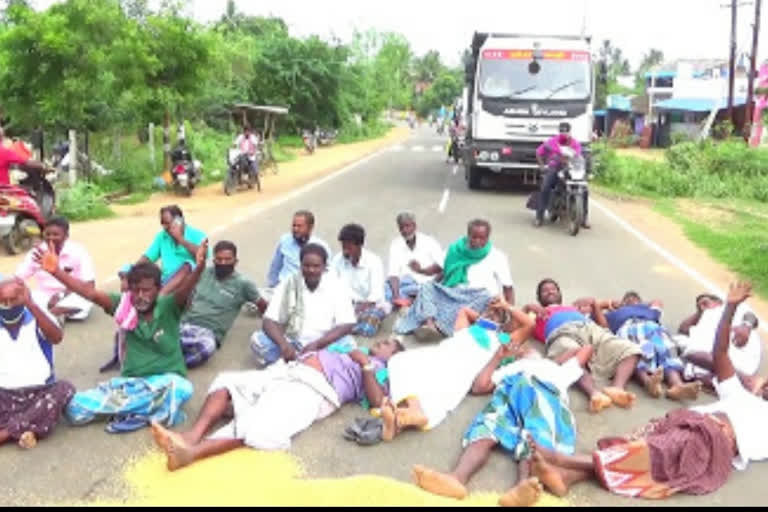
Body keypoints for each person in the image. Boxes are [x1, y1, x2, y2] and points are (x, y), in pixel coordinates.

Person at [522, 282, 768, 501]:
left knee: (660, 453)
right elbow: (720, 354)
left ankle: (563, 461)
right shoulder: (739, 394)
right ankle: (566, 477)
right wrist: (730, 309)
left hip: (713, 437)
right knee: (637, 443)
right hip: (687, 421)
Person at [149, 338, 405, 471]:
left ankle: (191, 454)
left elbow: (376, 401)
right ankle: (192, 436)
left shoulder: (382, 371)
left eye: (387, 345)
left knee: (260, 425)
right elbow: (315, 347)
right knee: (227, 381)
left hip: (315, 389)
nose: (380, 344)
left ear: (394, 356)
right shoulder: (351, 347)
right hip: (286, 371)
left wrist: (365, 364)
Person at [35, 239, 208, 433]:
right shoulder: (122, 305)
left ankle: (134, 413)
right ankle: (145, 414)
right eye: (135, 290)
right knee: (74, 409)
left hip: (166, 382)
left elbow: (187, 287)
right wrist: (56, 272)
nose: (140, 295)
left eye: (146, 290)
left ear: (158, 289)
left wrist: (200, 267)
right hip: (130, 386)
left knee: (183, 389)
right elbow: (90, 293)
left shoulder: (169, 305)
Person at [412, 345, 594, 506]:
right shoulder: (509, 368)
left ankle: (523, 486)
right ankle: (457, 477)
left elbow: (584, 349)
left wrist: (556, 359)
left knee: (535, 436)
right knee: (485, 426)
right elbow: (479, 387)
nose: (525, 349)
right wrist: (497, 358)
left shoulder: (557, 369)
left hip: (542, 392)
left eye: (530, 349)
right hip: (508, 393)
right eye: (522, 350)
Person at [382, 297, 535, 440]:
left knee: (438, 386)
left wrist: (505, 306)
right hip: (441, 354)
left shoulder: (502, 338)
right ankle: (404, 417)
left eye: (497, 314)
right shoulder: (466, 329)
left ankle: (405, 417)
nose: (492, 313)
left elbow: (529, 324)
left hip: (464, 365)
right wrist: (484, 317)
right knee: (400, 361)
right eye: (490, 311)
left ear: (504, 324)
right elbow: (464, 311)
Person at [523, 279, 641, 413]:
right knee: (570, 355)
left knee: (630, 349)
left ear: (560, 294)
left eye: (553, 289)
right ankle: (594, 394)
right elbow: (515, 329)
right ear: (539, 298)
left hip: (590, 328)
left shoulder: (574, 307)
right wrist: (527, 308)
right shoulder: (536, 316)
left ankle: (617, 388)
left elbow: (607, 318)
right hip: (562, 333)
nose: (550, 291)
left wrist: (595, 304)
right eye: (545, 290)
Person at [395, 219, 515, 341]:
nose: (477, 241)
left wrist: (511, 314)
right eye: (474, 237)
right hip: (452, 293)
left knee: (487, 297)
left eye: (482, 238)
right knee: (427, 287)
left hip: (477, 298)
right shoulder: (454, 249)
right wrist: (421, 270)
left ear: (488, 237)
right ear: (468, 235)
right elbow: (439, 268)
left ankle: (441, 326)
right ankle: (430, 324)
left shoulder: (497, 256)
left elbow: (508, 288)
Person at [250, 243, 357, 368]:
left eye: (316, 266)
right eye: (306, 266)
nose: (311, 270)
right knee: (258, 341)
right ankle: (311, 364)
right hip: (293, 343)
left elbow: (347, 324)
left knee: (349, 346)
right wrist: (283, 344)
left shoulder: (337, 286)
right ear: (300, 265)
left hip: (324, 344)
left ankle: (295, 364)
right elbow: (269, 320)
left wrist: (317, 344)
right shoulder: (289, 283)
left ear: (324, 267)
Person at [0, 278, 74, 449]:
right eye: (3, 302)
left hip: (38, 393)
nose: (9, 305)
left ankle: (6, 433)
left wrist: (31, 304)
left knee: (64, 389)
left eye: (14, 299)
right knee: (41, 413)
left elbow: (57, 337)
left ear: (25, 297)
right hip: (5, 396)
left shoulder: (37, 319)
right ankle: (28, 428)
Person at [594, 291, 701, 401]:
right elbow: (598, 316)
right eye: (627, 299)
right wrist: (608, 303)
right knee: (638, 353)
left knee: (668, 351)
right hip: (629, 327)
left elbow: (657, 302)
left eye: (635, 299)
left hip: (654, 328)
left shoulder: (648, 310)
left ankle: (677, 385)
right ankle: (648, 382)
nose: (631, 300)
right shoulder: (613, 314)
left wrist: (640, 305)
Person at [177, 240, 268, 368]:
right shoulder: (203, 273)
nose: (223, 263)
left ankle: (174, 363)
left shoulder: (244, 284)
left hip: (207, 333)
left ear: (235, 261)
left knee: (207, 347)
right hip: (184, 324)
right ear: (213, 260)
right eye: (219, 259)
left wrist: (272, 330)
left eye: (227, 259)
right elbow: (184, 295)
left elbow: (265, 308)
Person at [676, 293, 763, 393]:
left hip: (745, 353)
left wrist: (746, 326)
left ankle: (747, 380)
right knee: (693, 362)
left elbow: (751, 316)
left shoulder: (730, 307)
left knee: (692, 357)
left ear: (718, 301)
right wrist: (699, 312)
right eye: (700, 303)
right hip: (731, 362)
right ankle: (744, 383)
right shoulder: (704, 321)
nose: (703, 304)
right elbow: (682, 330)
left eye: (706, 301)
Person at [16, 216, 96, 323]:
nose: (50, 238)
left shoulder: (79, 252)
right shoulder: (38, 253)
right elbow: (18, 276)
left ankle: (52, 313)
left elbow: (89, 285)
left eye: (55, 234)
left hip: (71, 295)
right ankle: (53, 313)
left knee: (86, 298)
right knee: (20, 298)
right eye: (47, 234)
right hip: (44, 296)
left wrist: (60, 295)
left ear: (66, 236)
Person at [330, 223, 389, 337]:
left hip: (368, 306)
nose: (345, 251)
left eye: (349, 248)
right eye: (343, 247)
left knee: (368, 326)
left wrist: (354, 311)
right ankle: (346, 327)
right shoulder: (338, 260)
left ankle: (343, 328)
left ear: (360, 245)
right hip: (345, 306)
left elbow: (375, 297)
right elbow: (331, 286)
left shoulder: (374, 261)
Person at [139, 205, 208, 295]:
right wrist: (132, 271)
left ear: (179, 221)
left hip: (190, 283)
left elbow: (202, 255)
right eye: (163, 223)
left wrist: (181, 239)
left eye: (168, 223)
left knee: (188, 265)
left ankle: (161, 296)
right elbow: (147, 258)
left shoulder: (197, 235)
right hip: (167, 282)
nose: (165, 227)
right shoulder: (162, 236)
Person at [534, 122, 589, 229]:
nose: (564, 133)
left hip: (570, 169)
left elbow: (578, 157)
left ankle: (584, 219)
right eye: (562, 131)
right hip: (554, 168)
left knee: (584, 190)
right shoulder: (552, 141)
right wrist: (541, 166)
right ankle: (539, 217)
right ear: (559, 132)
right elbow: (538, 152)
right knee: (545, 187)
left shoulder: (575, 143)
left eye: (566, 131)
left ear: (570, 132)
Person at [386, 212, 444, 308]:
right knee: (386, 288)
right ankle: (405, 300)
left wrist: (430, 286)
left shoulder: (429, 242)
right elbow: (393, 274)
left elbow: (443, 269)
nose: (405, 230)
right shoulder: (395, 244)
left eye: (407, 226)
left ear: (414, 226)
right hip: (404, 285)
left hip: (424, 285)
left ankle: (412, 299)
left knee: (425, 292)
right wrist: (396, 296)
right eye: (401, 228)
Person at [265, 210, 331, 295]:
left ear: (310, 227)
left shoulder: (321, 247)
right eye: (294, 225)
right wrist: (272, 287)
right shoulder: (285, 241)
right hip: (284, 290)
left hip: (309, 292)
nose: (295, 229)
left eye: (299, 226)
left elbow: (328, 272)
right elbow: (275, 266)